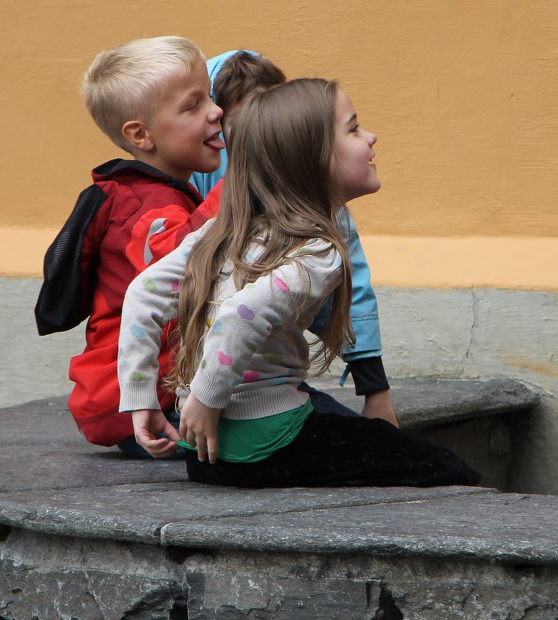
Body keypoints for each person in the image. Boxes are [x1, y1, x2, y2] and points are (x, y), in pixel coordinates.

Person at [117, 78, 479, 488]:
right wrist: (205, 400)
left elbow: (142, 295)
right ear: (313, 160)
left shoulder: (224, 230)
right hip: (269, 444)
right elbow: (241, 313)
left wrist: (141, 399)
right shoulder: (318, 251)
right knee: (441, 467)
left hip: (204, 453)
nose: (371, 137)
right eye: (355, 128)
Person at [34, 36, 223, 454]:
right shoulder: (148, 206)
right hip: (143, 402)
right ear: (141, 135)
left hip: (142, 393)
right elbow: (178, 262)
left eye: (210, 97)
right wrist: (240, 184)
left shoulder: (148, 193)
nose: (216, 112)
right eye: (193, 105)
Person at [195, 50, 397, 425]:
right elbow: (158, 292)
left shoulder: (323, 215)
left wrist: (376, 391)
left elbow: (353, 294)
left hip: (257, 391)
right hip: (203, 399)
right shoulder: (206, 208)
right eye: (242, 128)